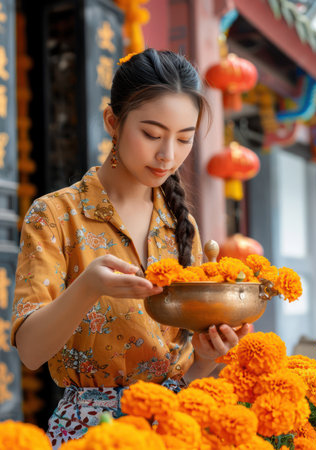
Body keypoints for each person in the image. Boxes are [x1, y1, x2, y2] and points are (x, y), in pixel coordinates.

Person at [11, 48, 249, 448]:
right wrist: (88, 287)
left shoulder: (179, 224)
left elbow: (181, 372)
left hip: (175, 426)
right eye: (152, 134)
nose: (167, 155)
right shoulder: (55, 215)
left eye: (184, 139)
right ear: (113, 122)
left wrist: (209, 353)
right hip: (92, 431)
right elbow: (30, 352)